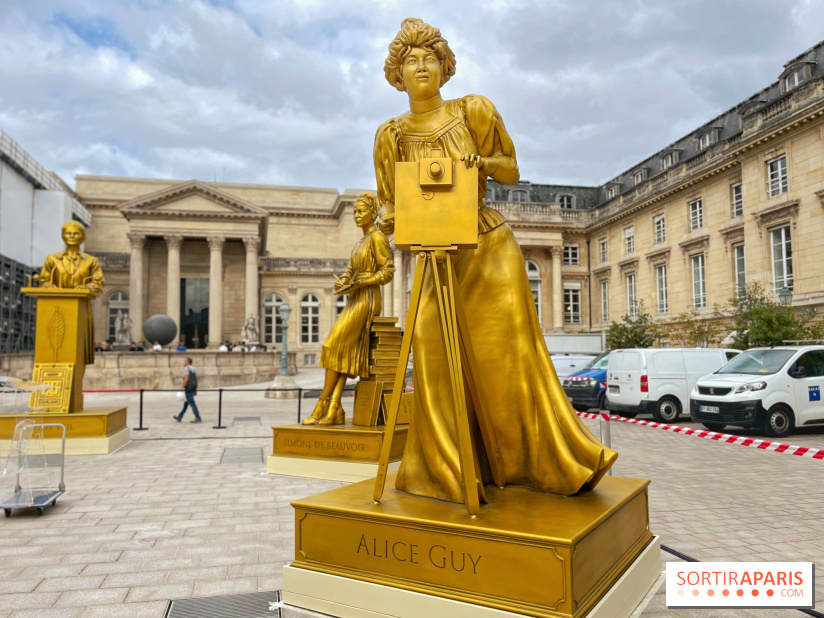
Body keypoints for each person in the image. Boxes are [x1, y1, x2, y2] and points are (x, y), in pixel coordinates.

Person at [373, 19, 616, 504]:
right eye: (410, 61)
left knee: (507, 359)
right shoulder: (390, 135)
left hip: (486, 244)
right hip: (434, 252)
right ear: (397, 74)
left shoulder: (473, 110)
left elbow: (510, 166)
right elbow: (388, 203)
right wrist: (386, 218)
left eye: (429, 58)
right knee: (432, 352)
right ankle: (448, 472)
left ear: (445, 67)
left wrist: (479, 166)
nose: (421, 66)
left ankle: (533, 466)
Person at [303, 193, 394, 426]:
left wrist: (365, 281)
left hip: (368, 298)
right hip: (354, 296)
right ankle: (334, 407)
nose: (356, 215)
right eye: (354, 212)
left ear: (373, 213)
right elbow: (349, 269)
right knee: (341, 351)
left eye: (361, 211)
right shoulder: (359, 243)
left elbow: (388, 271)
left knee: (331, 345)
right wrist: (343, 281)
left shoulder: (378, 238)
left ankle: (323, 403)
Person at [34, 221, 104, 366]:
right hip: (56, 309)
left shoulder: (91, 261)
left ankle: (76, 386)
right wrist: (49, 286)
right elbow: (44, 280)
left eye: (76, 233)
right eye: (68, 233)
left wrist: (87, 288)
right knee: (54, 348)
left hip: (81, 307)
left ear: (82, 237)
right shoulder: (52, 259)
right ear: (63, 236)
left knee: (81, 352)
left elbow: (98, 282)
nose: (71, 236)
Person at [173, 357, 201, 423]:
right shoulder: (194, 369)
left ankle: (197, 417)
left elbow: (186, 378)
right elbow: (196, 379)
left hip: (188, 387)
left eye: (185, 361)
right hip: (193, 387)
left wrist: (182, 386)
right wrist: (195, 388)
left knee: (192, 403)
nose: (184, 362)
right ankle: (180, 416)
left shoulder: (187, 368)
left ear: (187, 362)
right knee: (186, 403)